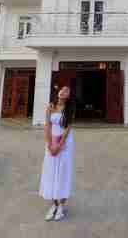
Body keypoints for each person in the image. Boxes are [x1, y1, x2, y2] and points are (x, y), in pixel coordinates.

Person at [39, 86, 75, 221]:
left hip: (65, 143)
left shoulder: (70, 109)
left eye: (67, 91)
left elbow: (67, 128)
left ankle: (61, 206)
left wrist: (60, 145)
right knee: (51, 171)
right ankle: (53, 205)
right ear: (58, 92)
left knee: (63, 172)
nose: (63, 91)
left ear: (68, 96)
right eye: (62, 89)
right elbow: (47, 125)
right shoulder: (50, 106)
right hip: (51, 141)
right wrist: (49, 144)